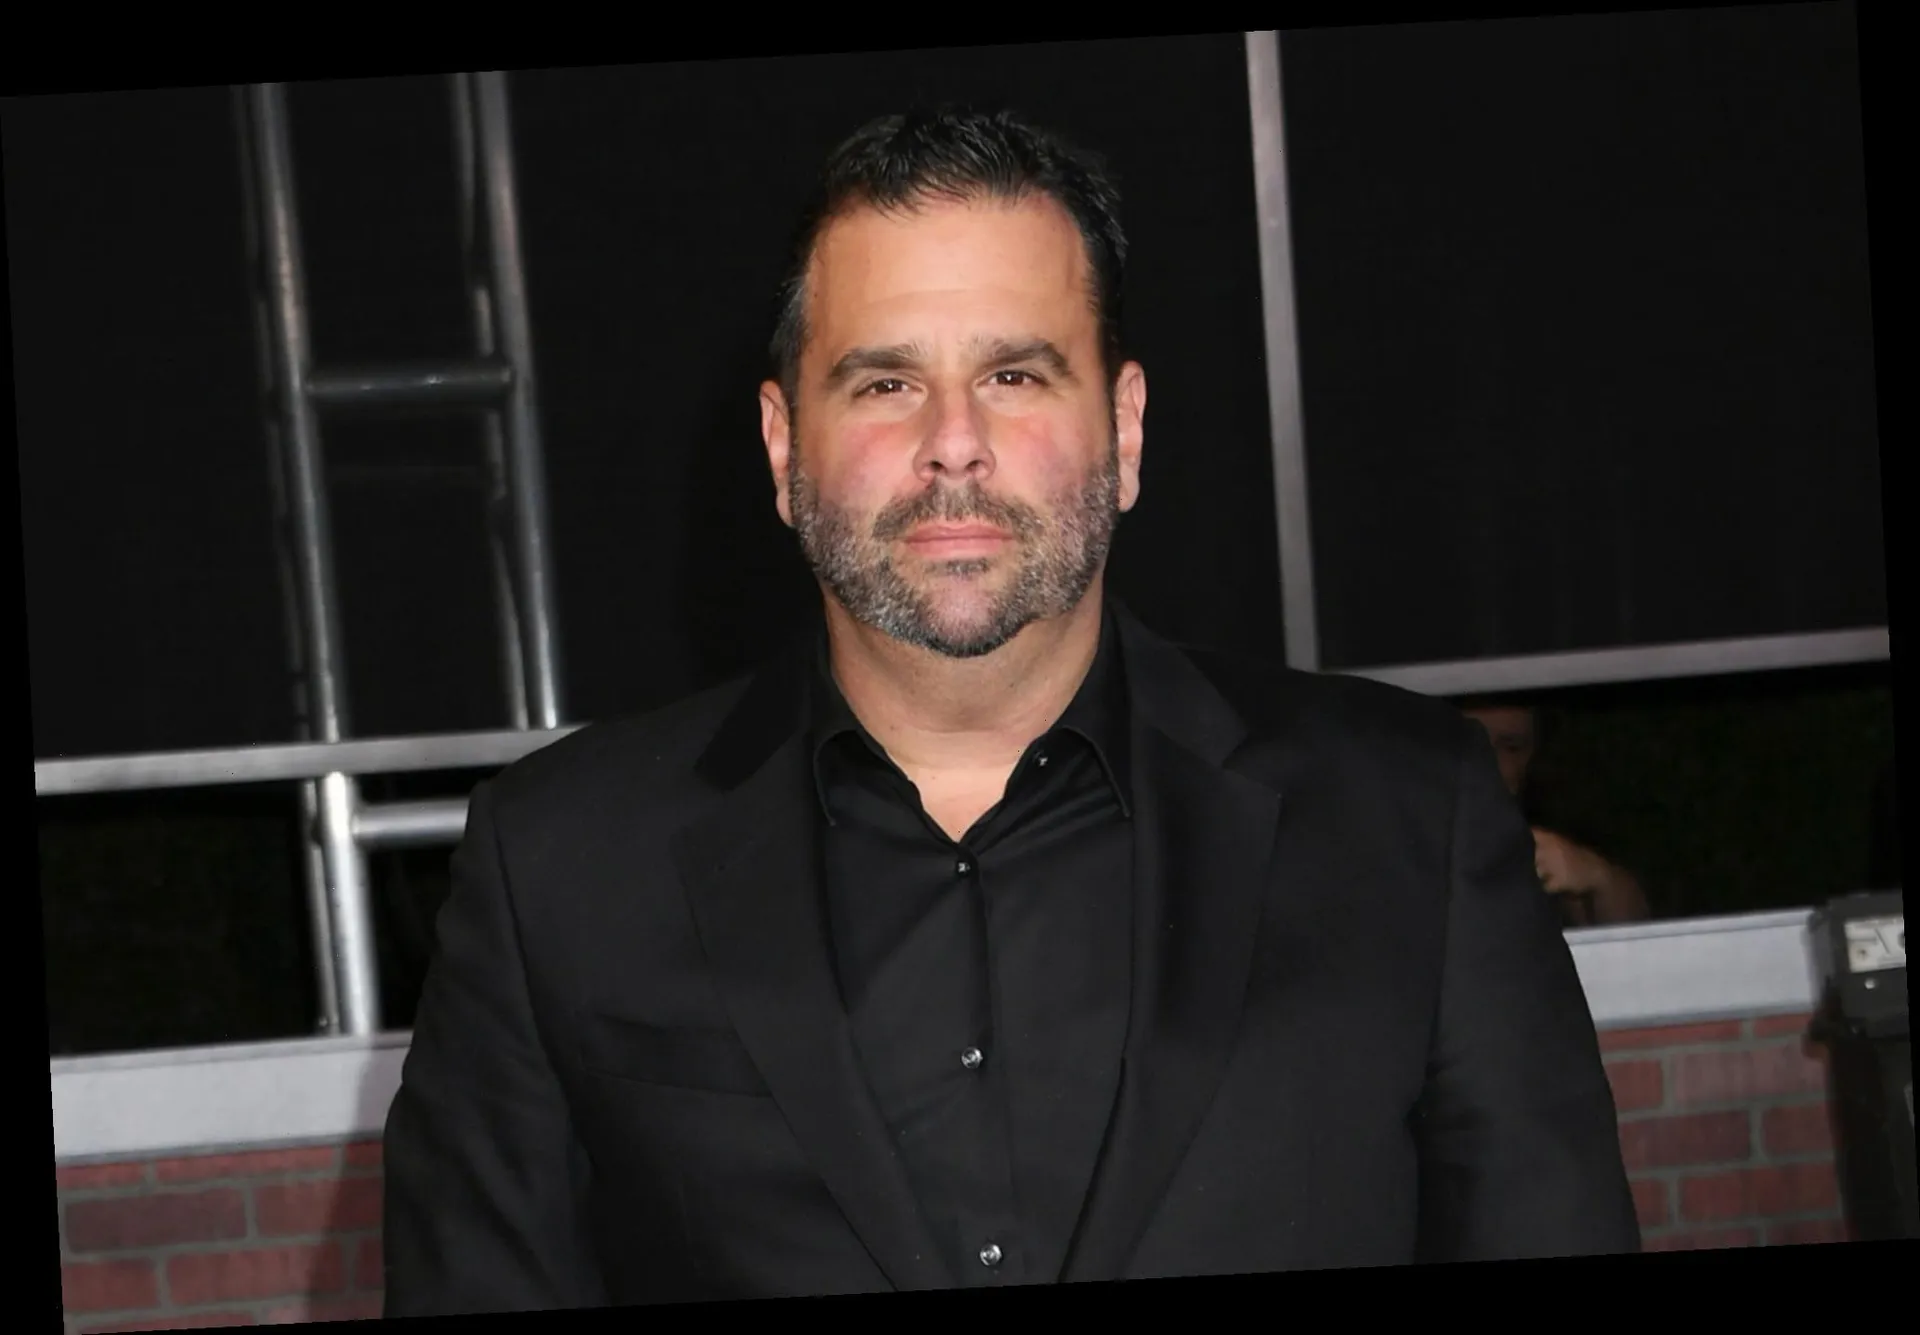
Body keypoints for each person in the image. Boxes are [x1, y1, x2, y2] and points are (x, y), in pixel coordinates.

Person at [381, 107, 1640, 1311]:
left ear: (1124, 429)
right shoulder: (561, 868)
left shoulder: (1407, 816)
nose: (954, 443)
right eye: (885, 383)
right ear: (782, 447)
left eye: (1015, 374)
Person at [1457, 701, 1650, 925]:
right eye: (1469, 741)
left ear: (1531, 757)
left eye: (1510, 748)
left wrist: (1596, 876)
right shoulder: (1421, 834)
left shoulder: (1551, 833)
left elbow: (1639, 933)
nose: (1489, 760)